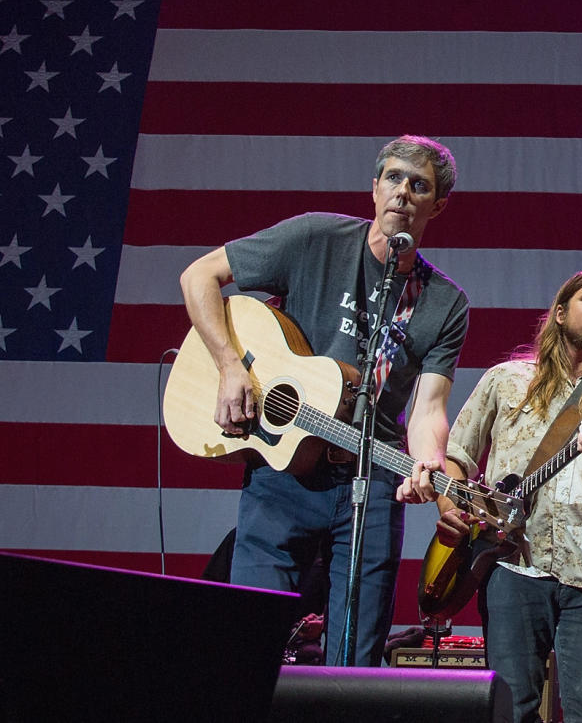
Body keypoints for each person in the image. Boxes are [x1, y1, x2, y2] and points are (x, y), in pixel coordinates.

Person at [179, 135, 469, 666]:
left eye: (419, 185)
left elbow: (427, 410)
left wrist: (428, 462)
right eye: (393, 178)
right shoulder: (316, 237)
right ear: (374, 187)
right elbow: (200, 276)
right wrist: (227, 366)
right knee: (249, 638)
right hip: (283, 471)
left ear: (438, 204)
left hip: (372, 482)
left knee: (354, 660)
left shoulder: (446, 303)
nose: (403, 192)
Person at [436, 269, 582, 723]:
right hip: (512, 563)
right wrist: (450, 509)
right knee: (511, 708)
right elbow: (456, 455)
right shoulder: (506, 380)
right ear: (560, 313)